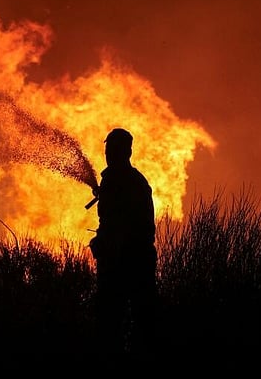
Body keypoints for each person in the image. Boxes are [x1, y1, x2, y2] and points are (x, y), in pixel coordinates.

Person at [89, 127, 157, 359]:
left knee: (124, 324)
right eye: (108, 150)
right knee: (119, 324)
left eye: (114, 150)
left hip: (129, 263)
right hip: (125, 262)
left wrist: (103, 242)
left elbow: (128, 225)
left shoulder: (130, 183)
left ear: (127, 152)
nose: (109, 155)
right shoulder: (118, 181)